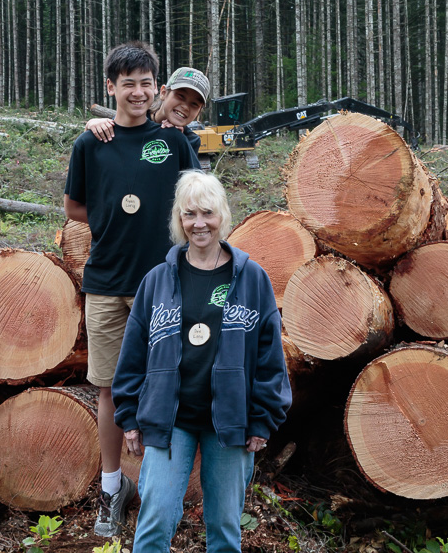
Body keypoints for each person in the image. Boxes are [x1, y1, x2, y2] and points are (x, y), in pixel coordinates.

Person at [112, 170, 292, 553]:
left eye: (207, 213)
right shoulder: (158, 280)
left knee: (224, 529)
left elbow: (270, 357)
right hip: (169, 419)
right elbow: (133, 354)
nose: (199, 223)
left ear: (222, 215)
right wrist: (128, 415)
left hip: (230, 421)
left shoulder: (252, 279)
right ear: (179, 219)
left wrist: (262, 418)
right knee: (155, 519)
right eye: (189, 214)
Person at [64, 41, 200, 538]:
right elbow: (74, 207)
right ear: (111, 88)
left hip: (164, 283)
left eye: (146, 83)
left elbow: (198, 204)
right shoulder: (91, 143)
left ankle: (162, 490)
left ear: (157, 88)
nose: (138, 92)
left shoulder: (174, 141)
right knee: (108, 387)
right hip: (106, 282)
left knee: (168, 380)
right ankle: (111, 487)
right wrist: (110, 220)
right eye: (128, 84)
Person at [85, 66, 210, 154]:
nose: (185, 107)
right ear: (163, 92)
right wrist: (92, 125)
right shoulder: (138, 117)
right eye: (181, 96)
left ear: (199, 112)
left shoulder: (190, 140)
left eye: (194, 104)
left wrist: (177, 141)